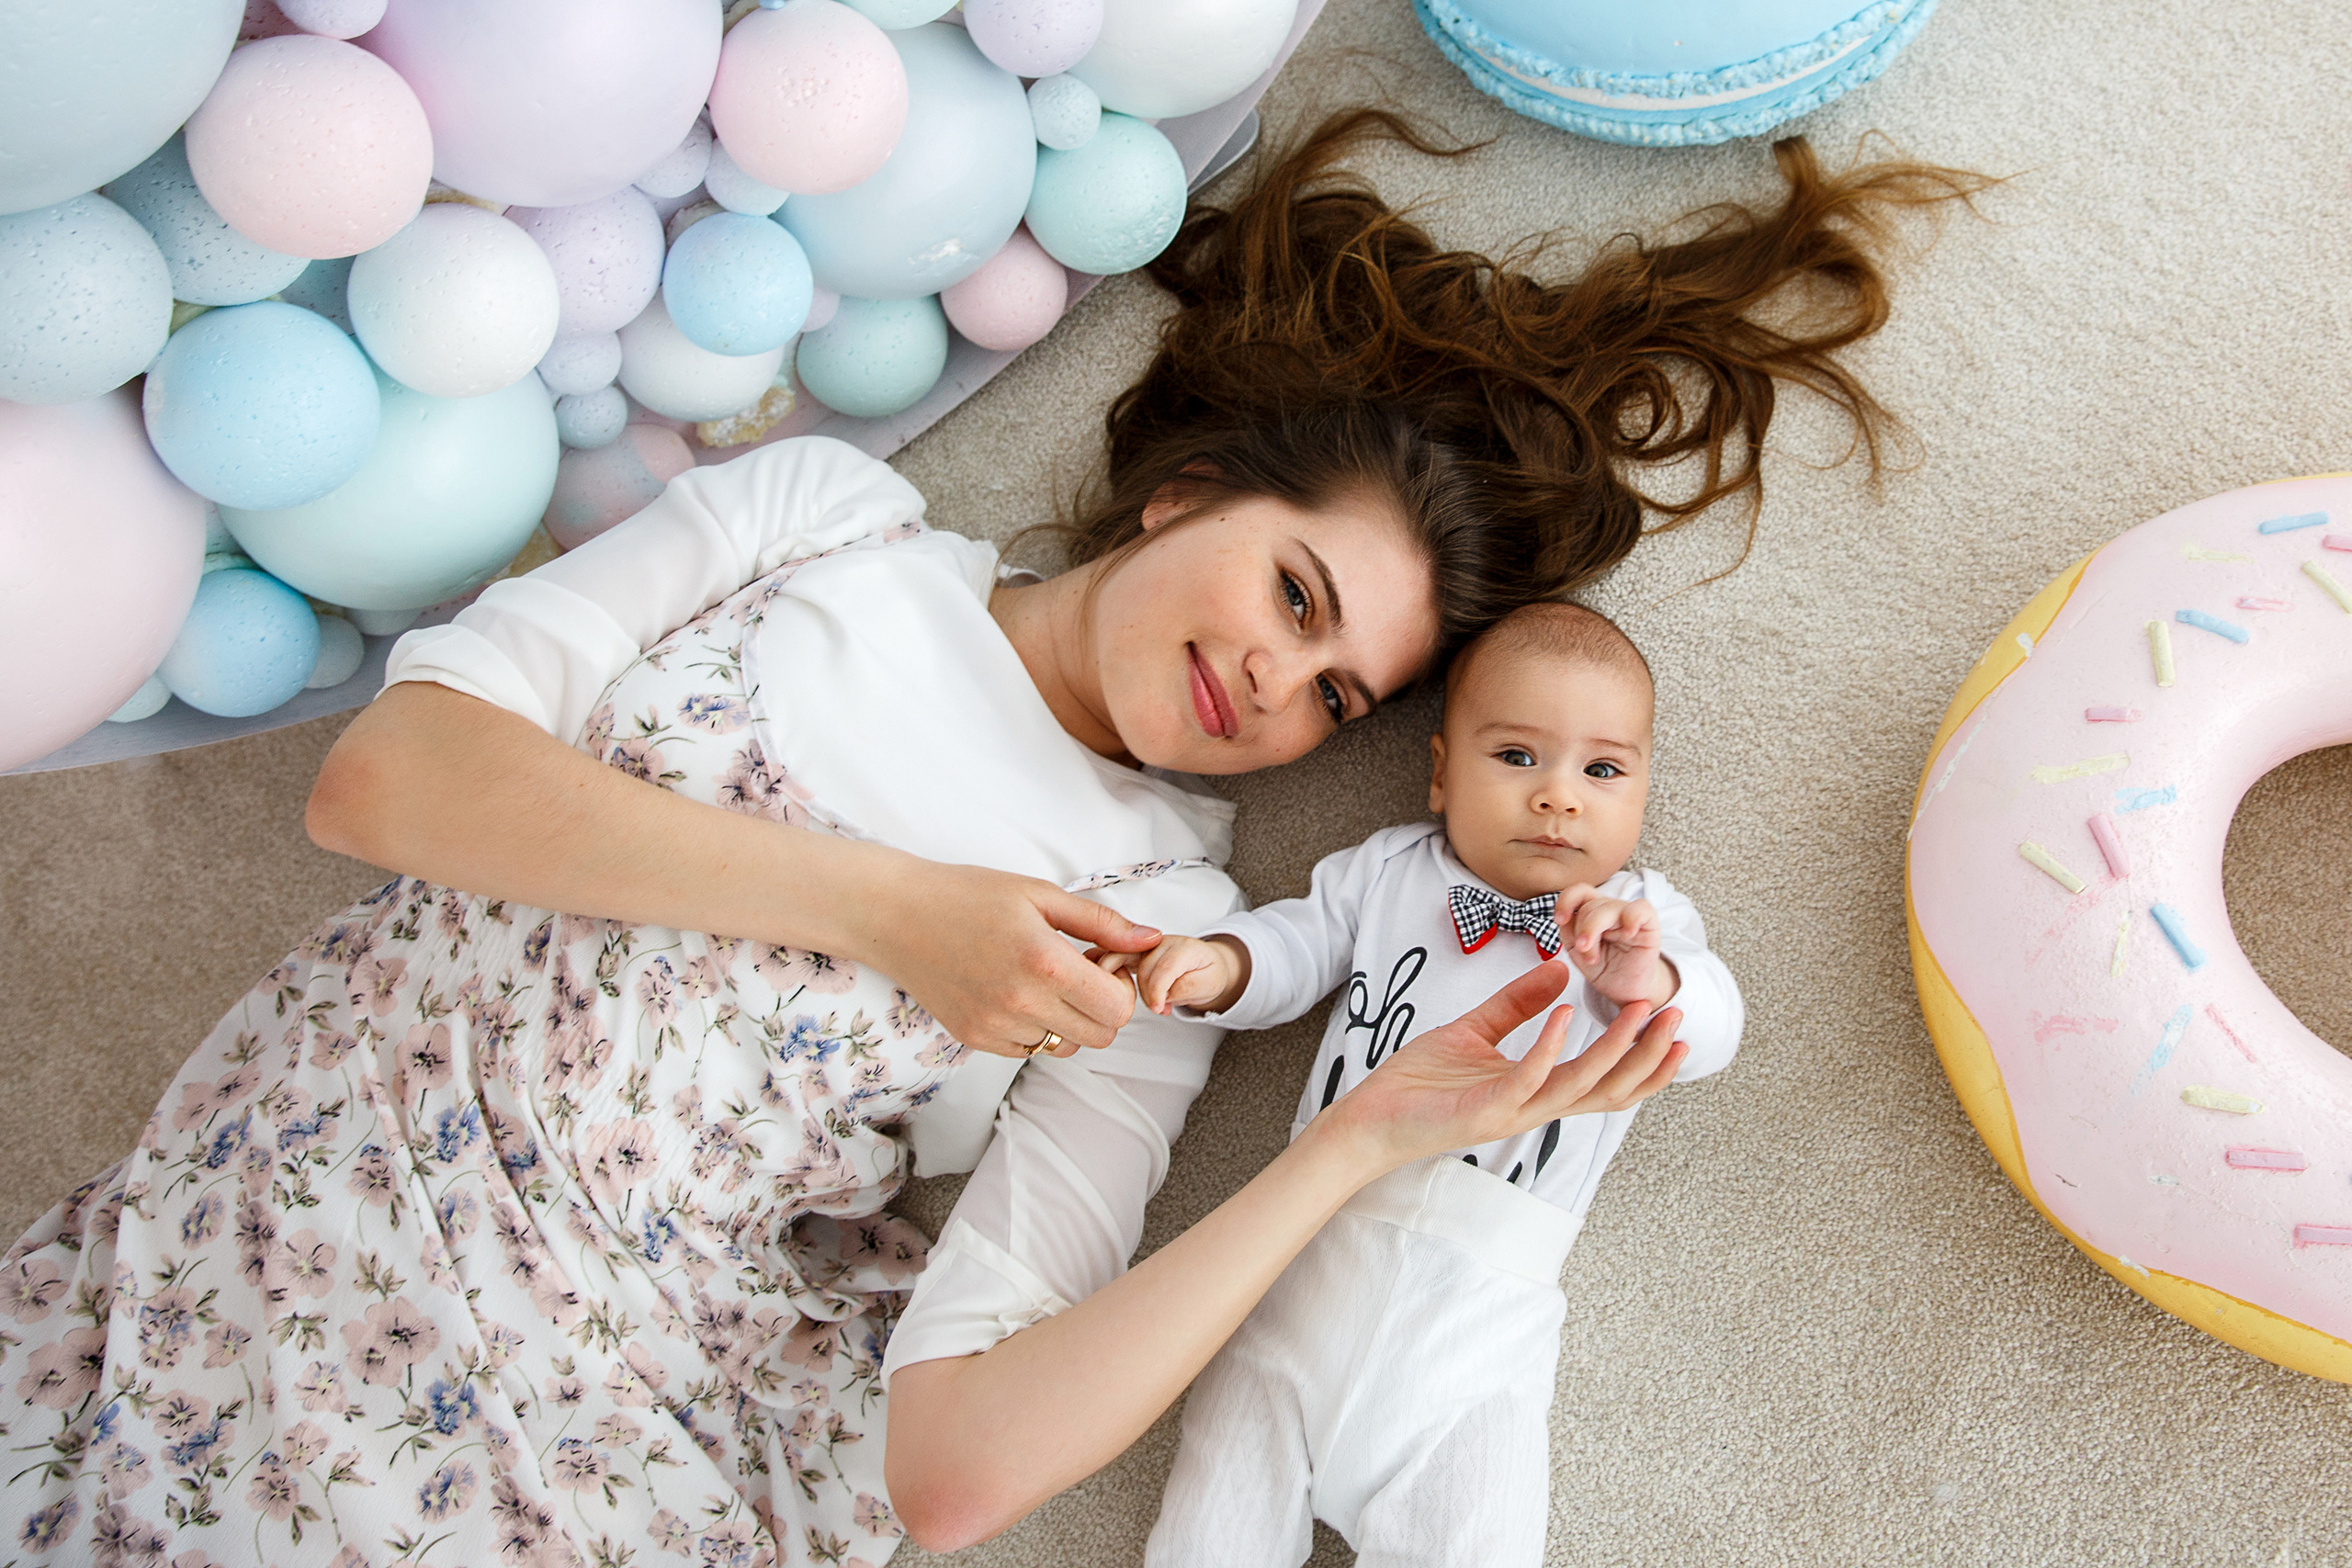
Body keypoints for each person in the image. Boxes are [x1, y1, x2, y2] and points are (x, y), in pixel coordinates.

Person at [0, 113, 1977, 1564]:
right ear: (1175, 493)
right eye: (1291, 595)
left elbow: (952, 1469)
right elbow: (388, 783)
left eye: (1340, 697)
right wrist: (896, 914)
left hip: (548, 1430)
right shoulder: (817, 521)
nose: (1279, 696)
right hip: (217, 1253)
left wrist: (1365, 1136)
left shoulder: (1165, 916)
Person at [1116, 602, 1736, 1566]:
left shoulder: (1646, 919)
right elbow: (1296, 943)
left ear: (1644, 793)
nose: (1558, 799)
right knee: (1208, 1532)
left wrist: (1649, 983)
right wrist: (1223, 967)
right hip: (1301, 1262)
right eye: (1517, 757)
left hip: (1480, 1329)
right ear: (1442, 771)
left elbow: (1713, 1033)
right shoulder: (1388, 873)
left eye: (1602, 770)